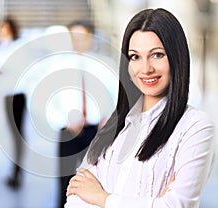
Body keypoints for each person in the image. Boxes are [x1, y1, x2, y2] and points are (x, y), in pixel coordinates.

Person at [65, 8, 216, 207]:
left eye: (157, 55)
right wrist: (152, 202)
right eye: (135, 57)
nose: (145, 69)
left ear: (176, 57)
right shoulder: (116, 125)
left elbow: (175, 205)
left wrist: (102, 197)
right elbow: (76, 198)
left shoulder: (195, 126)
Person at [56, 20, 118, 208]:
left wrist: (108, 119)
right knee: (65, 179)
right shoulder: (59, 65)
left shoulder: (102, 65)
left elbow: (114, 95)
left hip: (95, 130)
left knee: (94, 177)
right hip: (68, 129)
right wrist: (64, 120)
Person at [0, 17, 26, 189]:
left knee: (17, 135)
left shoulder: (17, 47)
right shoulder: (0, 48)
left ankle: (17, 172)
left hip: (16, 96)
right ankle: (15, 170)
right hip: (7, 95)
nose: (0, 32)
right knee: (13, 134)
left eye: (3, 28)